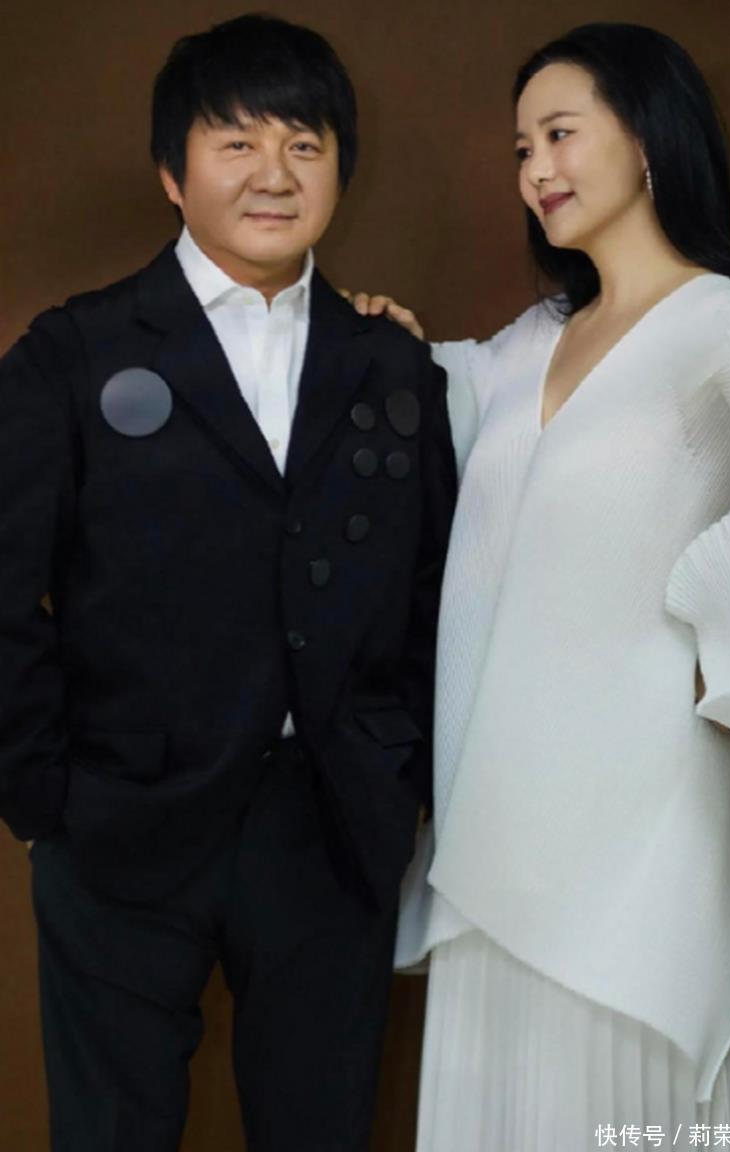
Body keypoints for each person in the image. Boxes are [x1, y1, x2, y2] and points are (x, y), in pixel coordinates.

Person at [348, 22, 730, 1151]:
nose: (535, 170)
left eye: (559, 135)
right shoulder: (530, 342)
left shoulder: (715, 324)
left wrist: (717, 614)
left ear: (646, 138)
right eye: (522, 149)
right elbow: (429, 402)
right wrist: (379, 341)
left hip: (640, 814)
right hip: (495, 806)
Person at [0, 13, 456, 1152]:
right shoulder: (75, 351)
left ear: (341, 169)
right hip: (119, 820)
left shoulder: (390, 362)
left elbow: (430, 586)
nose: (274, 173)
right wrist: (43, 800)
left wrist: (399, 771)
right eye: (237, 142)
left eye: (304, 144)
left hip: (330, 826)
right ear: (174, 171)